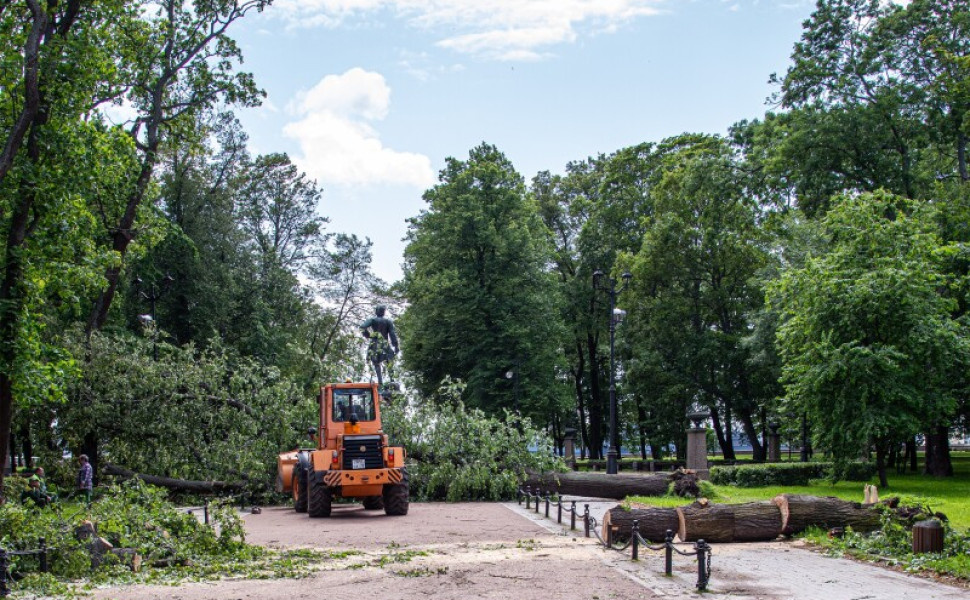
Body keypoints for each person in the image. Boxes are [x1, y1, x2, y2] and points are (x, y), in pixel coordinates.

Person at [360, 305, 399, 390]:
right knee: (389, 361)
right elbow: (392, 334)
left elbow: (362, 327)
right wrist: (395, 345)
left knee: (376, 363)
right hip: (385, 343)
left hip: (375, 343)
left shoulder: (373, 320)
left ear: (376, 311)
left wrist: (368, 335)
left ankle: (380, 382)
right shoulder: (388, 322)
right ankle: (392, 380)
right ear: (384, 312)